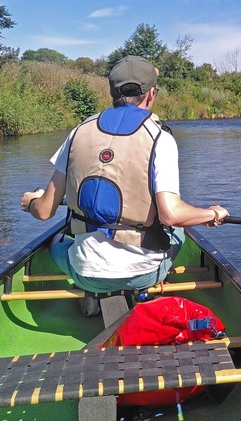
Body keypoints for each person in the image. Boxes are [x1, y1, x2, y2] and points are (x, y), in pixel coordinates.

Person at [21, 55, 229, 306]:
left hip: (87, 273)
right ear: (151, 94)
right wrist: (211, 214)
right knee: (178, 232)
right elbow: (171, 215)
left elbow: (44, 211)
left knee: (57, 241)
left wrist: (32, 201)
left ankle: (90, 295)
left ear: (112, 92)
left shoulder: (78, 132)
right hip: (142, 274)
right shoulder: (160, 137)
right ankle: (142, 294)